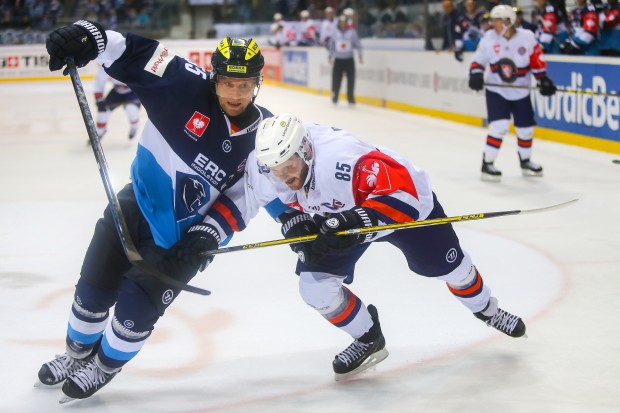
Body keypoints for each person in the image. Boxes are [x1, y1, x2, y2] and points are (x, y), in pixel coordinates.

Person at [36, 20, 288, 402]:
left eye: (245, 85)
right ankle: (75, 355)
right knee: (92, 289)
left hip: (185, 238)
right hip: (135, 204)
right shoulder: (182, 84)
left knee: (137, 307)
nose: (236, 94)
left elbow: (248, 195)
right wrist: (89, 35)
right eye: (227, 83)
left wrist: (208, 236)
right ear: (213, 77)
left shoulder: (263, 133)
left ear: (257, 84)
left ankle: (103, 366)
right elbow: (134, 50)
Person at [243, 112, 528, 380]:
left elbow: (407, 195)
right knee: (315, 287)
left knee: (451, 268)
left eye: (288, 167)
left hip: (400, 208)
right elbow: (266, 195)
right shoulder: (267, 166)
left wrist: (357, 219)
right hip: (337, 215)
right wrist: (295, 222)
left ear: (305, 151)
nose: (283, 176)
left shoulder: (343, 159)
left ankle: (486, 309)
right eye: (276, 170)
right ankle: (368, 337)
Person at [468, 5, 557, 182]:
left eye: (497, 20)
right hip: (496, 90)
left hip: (520, 91)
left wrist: (543, 79)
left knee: (525, 130)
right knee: (499, 126)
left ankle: (525, 161)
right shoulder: (489, 38)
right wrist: (476, 74)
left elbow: (537, 60)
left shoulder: (528, 37)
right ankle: (487, 163)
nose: (493, 24)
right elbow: (478, 60)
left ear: (508, 21)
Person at [93, 65, 141, 140]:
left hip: (132, 92)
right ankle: (99, 132)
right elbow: (99, 84)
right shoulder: (106, 65)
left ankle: (134, 126)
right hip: (116, 92)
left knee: (131, 109)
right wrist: (99, 101)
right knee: (103, 112)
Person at [328, 15, 363, 107]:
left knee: (351, 79)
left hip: (349, 60)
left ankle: (350, 98)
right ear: (339, 23)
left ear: (347, 23)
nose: (342, 24)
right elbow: (332, 45)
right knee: (336, 79)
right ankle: (335, 96)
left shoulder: (352, 32)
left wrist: (360, 55)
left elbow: (358, 44)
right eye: (341, 22)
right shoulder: (335, 32)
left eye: (344, 22)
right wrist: (330, 56)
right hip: (338, 59)